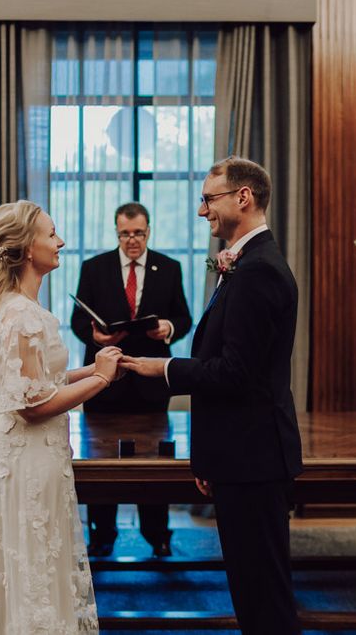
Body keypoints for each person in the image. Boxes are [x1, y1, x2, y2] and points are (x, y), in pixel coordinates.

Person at [123, 156, 302, 634]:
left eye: (208, 199)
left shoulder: (258, 270)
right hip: (241, 458)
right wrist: (210, 459)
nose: (203, 211)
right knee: (252, 592)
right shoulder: (248, 264)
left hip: (254, 459)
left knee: (265, 600)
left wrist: (162, 367)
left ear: (242, 197)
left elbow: (235, 374)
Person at [0, 200, 124, 634]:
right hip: (25, 457)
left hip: (35, 454)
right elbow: (32, 407)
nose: (61, 241)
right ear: (28, 248)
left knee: (38, 558)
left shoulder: (20, 308)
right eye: (52, 234)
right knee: (30, 561)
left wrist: (91, 368)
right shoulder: (21, 315)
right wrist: (102, 382)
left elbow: (39, 380)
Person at [71, 202, 192, 558]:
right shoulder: (94, 268)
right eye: (125, 233)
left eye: (138, 233)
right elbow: (79, 322)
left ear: (148, 230)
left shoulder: (169, 268)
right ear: (116, 232)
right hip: (104, 382)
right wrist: (98, 340)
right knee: (100, 463)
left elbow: (183, 317)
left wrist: (167, 329)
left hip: (151, 383)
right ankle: (102, 535)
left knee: (155, 464)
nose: (132, 240)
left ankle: (157, 535)